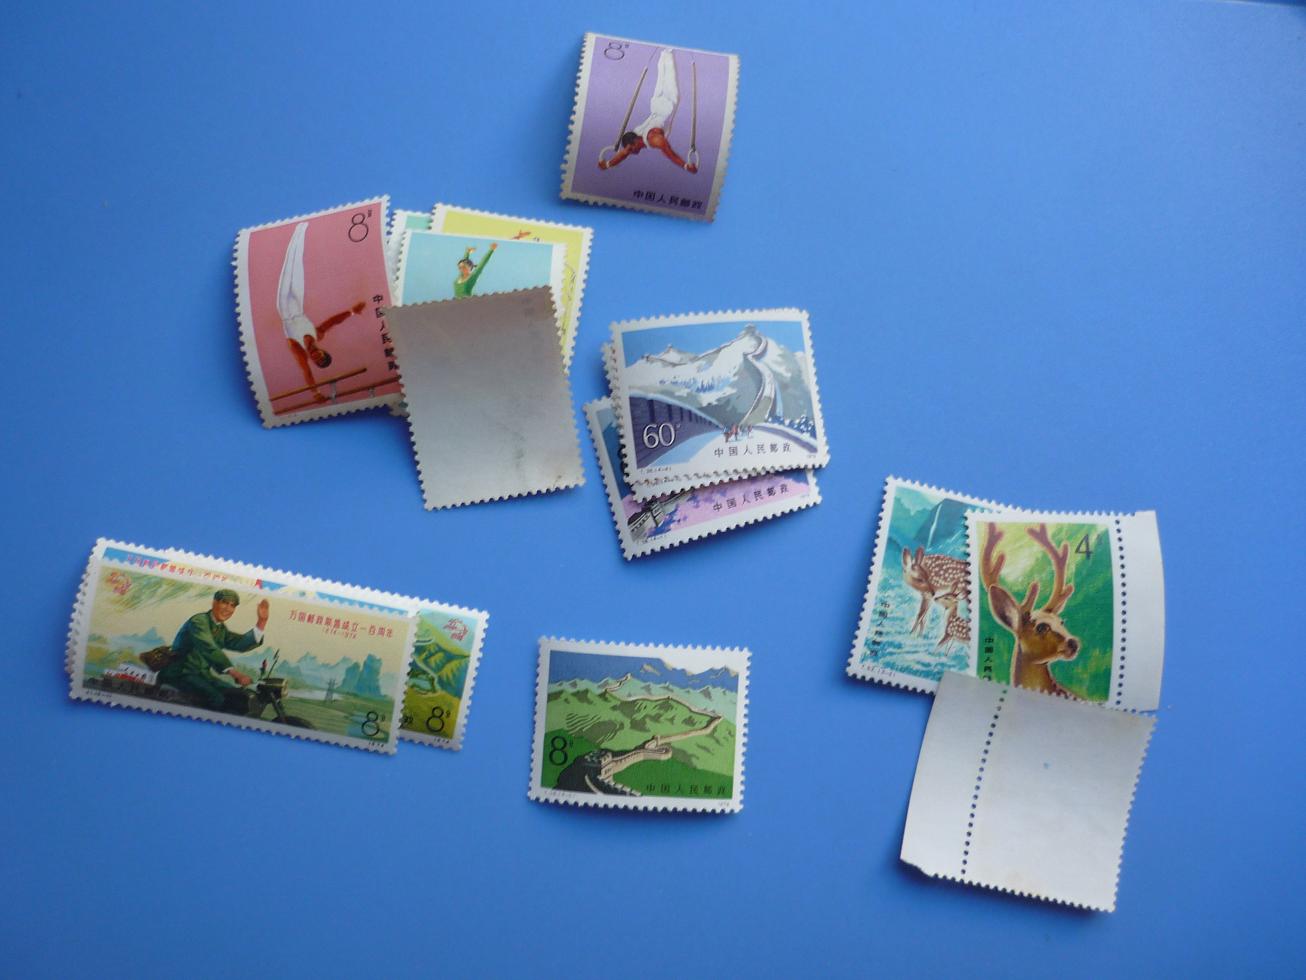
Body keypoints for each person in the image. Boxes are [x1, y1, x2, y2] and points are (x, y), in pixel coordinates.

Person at [277, 220, 368, 402]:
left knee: (287, 267)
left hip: (284, 309)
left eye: (316, 361)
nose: (315, 357)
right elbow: (333, 322)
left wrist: (316, 393)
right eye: (320, 357)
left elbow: (307, 372)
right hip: (298, 304)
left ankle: (295, 233)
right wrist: (352, 312)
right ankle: (301, 230)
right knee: (297, 265)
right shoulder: (318, 335)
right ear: (324, 352)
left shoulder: (298, 350)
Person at [157, 589, 269, 712]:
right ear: (214, 602)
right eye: (224, 603)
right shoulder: (199, 621)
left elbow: (239, 643)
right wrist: (236, 674)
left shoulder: (220, 629)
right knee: (216, 699)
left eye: (232, 605)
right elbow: (209, 647)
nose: (228, 609)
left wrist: (261, 622)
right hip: (179, 674)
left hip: (202, 676)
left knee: (236, 695)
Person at [598, 49, 698, 173]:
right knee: (661, 76)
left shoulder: (654, 140)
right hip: (655, 105)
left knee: (669, 76)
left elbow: (670, 153)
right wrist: (607, 164)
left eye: (630, 149)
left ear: (634, 143)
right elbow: (623, 153)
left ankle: (667, 52)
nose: (630, 152)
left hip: (668, 105)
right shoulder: (635, 133)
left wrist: (686, 166)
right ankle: (665, 52)